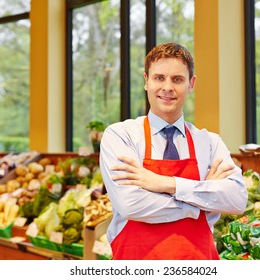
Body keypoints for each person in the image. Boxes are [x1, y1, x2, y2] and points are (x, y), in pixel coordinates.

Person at [99, 42, 248, 260]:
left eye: (177, 79)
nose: (167, 87)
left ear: (191, 84)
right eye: (159, 78)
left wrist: (166, 184)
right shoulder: (121, 136)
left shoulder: (209, 142)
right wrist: (200, 204)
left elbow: (236, 200)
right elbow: (130, 204)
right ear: (146, 82)